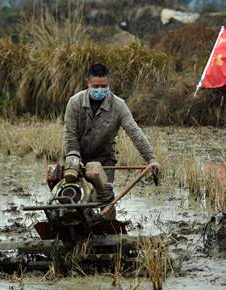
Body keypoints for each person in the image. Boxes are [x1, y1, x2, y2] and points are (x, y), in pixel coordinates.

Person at [63, 63, 159, 217]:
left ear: (109, 84)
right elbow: (70, 134)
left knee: (105, 196)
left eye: (104, 86)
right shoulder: (75, 102)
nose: (99, 89)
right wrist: (74, 156)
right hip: (78, 156)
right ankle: (79, 227)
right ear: (88, 83)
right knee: (75, 195)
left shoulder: (118, 105)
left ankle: (108, 228)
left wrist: (151, 158)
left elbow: (134, 132)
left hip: (104, 158)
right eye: (96, 86)